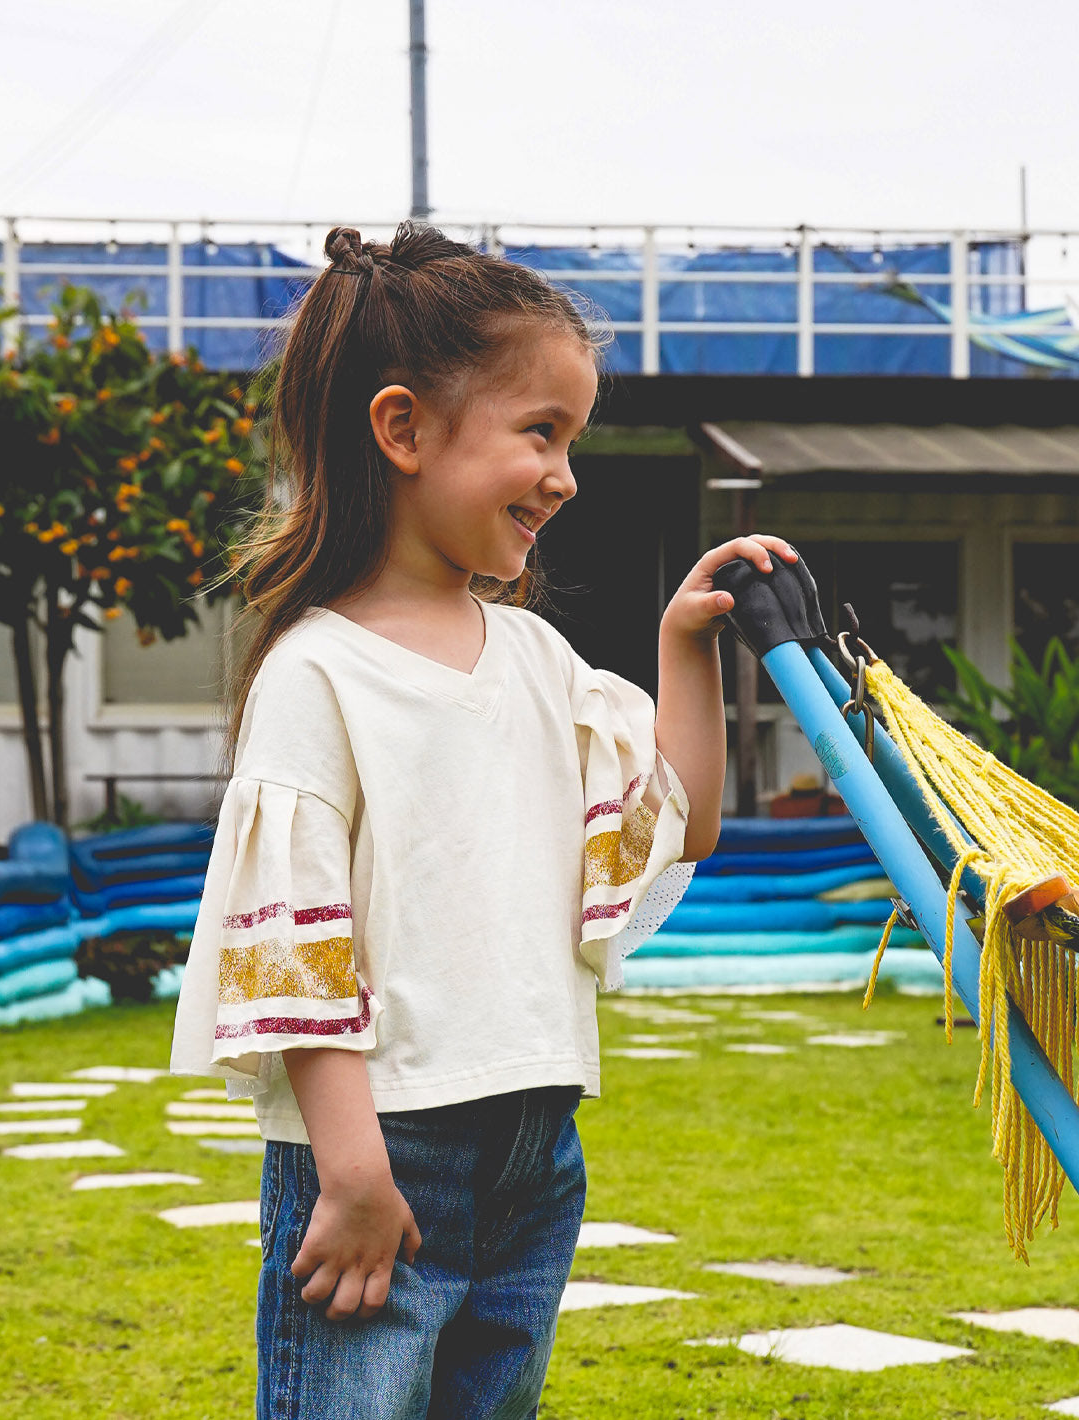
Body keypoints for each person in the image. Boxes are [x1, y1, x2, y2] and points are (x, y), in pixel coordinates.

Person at [170, 220, 796, 1419]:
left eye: (573, 439)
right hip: (378, 1155)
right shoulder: (320, 675)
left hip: (534, 1147)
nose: (565, 475)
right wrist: (349, 1170)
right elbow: (296, 942)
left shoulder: (537, 659)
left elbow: (687, 820)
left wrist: (681, 640)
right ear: (402, 429)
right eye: (540, 432)